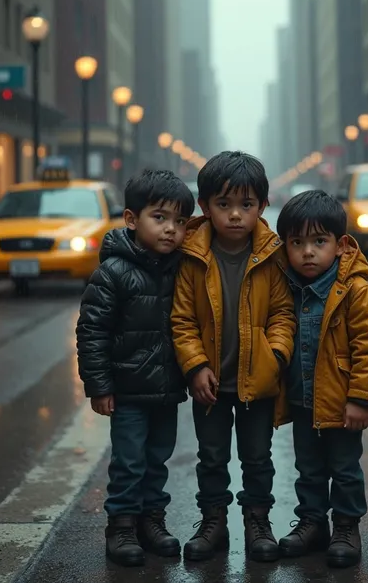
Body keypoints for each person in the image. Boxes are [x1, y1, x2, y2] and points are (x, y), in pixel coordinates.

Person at [171, 151, 296, 563]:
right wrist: (195, 365)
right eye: (224, 205)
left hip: (257, 380)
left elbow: (282, 313)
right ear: (205, 206)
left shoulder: (272, 254)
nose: (236, 215)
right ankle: (213, 522)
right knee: (211, 458)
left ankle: (258, 522)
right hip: (210, 383)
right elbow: (183, 318)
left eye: (246, 205)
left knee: (258, 457)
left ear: (263, 204)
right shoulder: (192, 255)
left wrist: (275, 355)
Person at [76, 169, 195, 567]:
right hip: (127, 390)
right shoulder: (113, 272)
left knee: (158, 457)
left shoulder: (180, 268)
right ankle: (122, 527)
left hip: (166, 388)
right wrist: (99, 385)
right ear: (131, 219)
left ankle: (152, 520)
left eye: (180, 222)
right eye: (159, 218)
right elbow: (92, 330)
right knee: (129, 460)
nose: (170, 230)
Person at [276, 190, 368, 568]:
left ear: (340, 245)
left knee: (344, 468)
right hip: (302, 400)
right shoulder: (286, 289)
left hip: (342, 405)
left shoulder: (355, 293)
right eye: (297, 243)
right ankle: (312, 522)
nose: (308, 252)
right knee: (308, 469)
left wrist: (361, 399)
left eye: (319, 241)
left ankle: (345, 526)